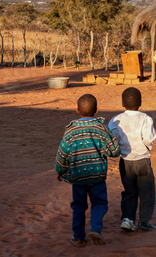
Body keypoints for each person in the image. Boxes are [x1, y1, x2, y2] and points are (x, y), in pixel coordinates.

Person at [55, 94, 121, 247]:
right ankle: (95, 229)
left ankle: (78, 237)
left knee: (78, 206)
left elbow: (62, 153)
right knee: (99, 203)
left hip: (78, 177)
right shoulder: (101, 129)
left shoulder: (70, 131)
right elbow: (115, 151)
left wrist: (60, 170)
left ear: (77, 110)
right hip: (97, 176)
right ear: (97, 110)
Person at [108, 87, 156, 232]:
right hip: (143, 161)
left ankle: (128, 219)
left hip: (125, 161)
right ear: (140, 103)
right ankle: (144, 220)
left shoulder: (115, 120)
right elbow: (149, 139)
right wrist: (146, 148)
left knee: (129, 191)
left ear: (122, 104)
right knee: (147, 191)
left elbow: (112, 139)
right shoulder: (146, 119)